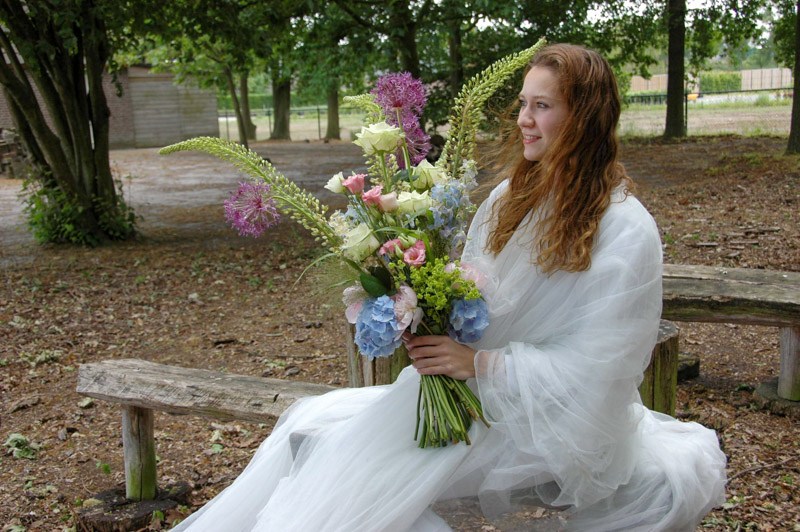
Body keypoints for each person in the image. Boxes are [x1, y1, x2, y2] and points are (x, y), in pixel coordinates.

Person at [173, 44, 726, 531]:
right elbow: (472, 295)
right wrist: (420, 313)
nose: (524, 121)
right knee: (316, 432)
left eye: (542, 105)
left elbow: (601, 375)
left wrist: (478, 366)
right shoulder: (507, 198)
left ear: (583, 117)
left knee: (363, 476)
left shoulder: (627, 229)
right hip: (469, 399)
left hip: (547, 427)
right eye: (522, 104)